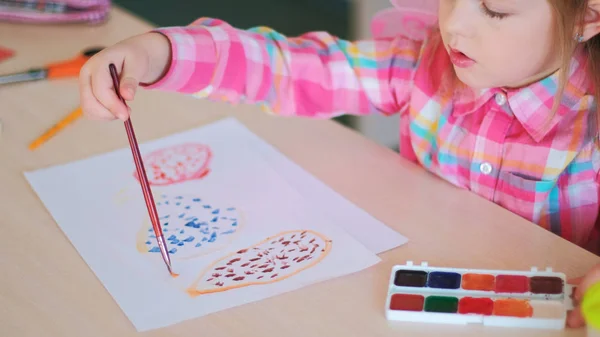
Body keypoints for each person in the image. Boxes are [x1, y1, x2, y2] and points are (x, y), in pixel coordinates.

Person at [78, 0, 600, 328]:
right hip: (399, 301)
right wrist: (155, 54)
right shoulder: (423, 62)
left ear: (588, 16)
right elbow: (292, 68)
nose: (455, 25)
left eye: (494, 8)